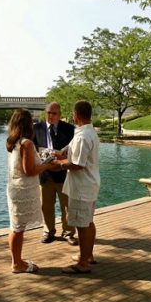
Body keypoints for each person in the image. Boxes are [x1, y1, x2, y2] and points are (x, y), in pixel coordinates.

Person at [52, 100, 100, 274]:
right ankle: (88, 255)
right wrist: (61, 153)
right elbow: (74, 153)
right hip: (90, 184)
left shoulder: (82, 136)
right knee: (88, 221)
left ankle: (82, 263)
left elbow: (77, 164)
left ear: (76, 115)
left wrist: (60, 164)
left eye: (73, 113)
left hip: (81, 187)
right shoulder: (88, 132)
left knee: (82, 225)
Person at [6, 109, 53, 274]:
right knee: (18, 229)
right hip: (23, 190)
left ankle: (16, 261)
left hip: (14, 187)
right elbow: (29, 170)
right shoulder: (27, 143)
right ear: (27, 124)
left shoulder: (14, 141)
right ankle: (17, 264)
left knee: (15, 227)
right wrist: (47, 164)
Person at [33, 102, 77, 244]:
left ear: (60, 114)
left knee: (67, 206)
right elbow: (32, 150)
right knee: (46, 206)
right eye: (48, 113)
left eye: (54, 113)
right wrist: (43, 155)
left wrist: (60, 160)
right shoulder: (36, 128)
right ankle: (48, 231)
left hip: (64, 173)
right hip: (45, 175)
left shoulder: (70, 129)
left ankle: (68, 232)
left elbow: (74, 151)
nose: (51, 116)